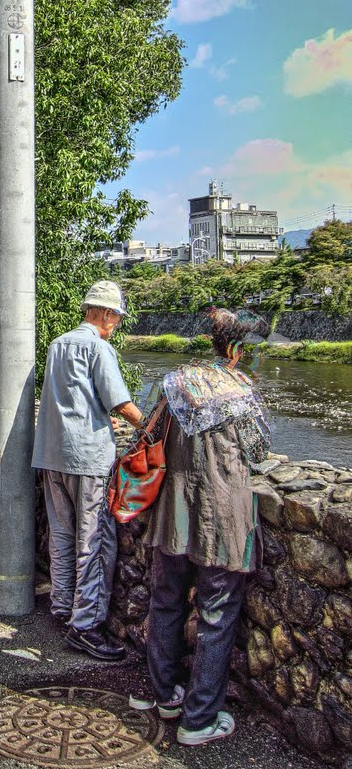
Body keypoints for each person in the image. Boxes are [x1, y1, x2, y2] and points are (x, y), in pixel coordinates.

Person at [134, 308, 271, 746]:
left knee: (167, 601)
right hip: (222, 516)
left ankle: (165, 695)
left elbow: (148, 436)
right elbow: (260, 451)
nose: (255, 359)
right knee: (216, 613)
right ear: (235, 349)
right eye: (252, 351)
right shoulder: (243, 391)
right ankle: (200, 718)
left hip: (173, 509)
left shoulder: (176, 382)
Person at [32, 280, 147, 661]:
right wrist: (149, 426)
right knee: (94, 542)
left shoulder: (57, 345)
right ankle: (86, 627)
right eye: (116, 316)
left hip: (51, 452)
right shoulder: (99, 348)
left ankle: (62, 608)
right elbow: (119, 401)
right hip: (87, 458)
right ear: (106, 314)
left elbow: (67, 398)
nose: (115, 324)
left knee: (61, 536)